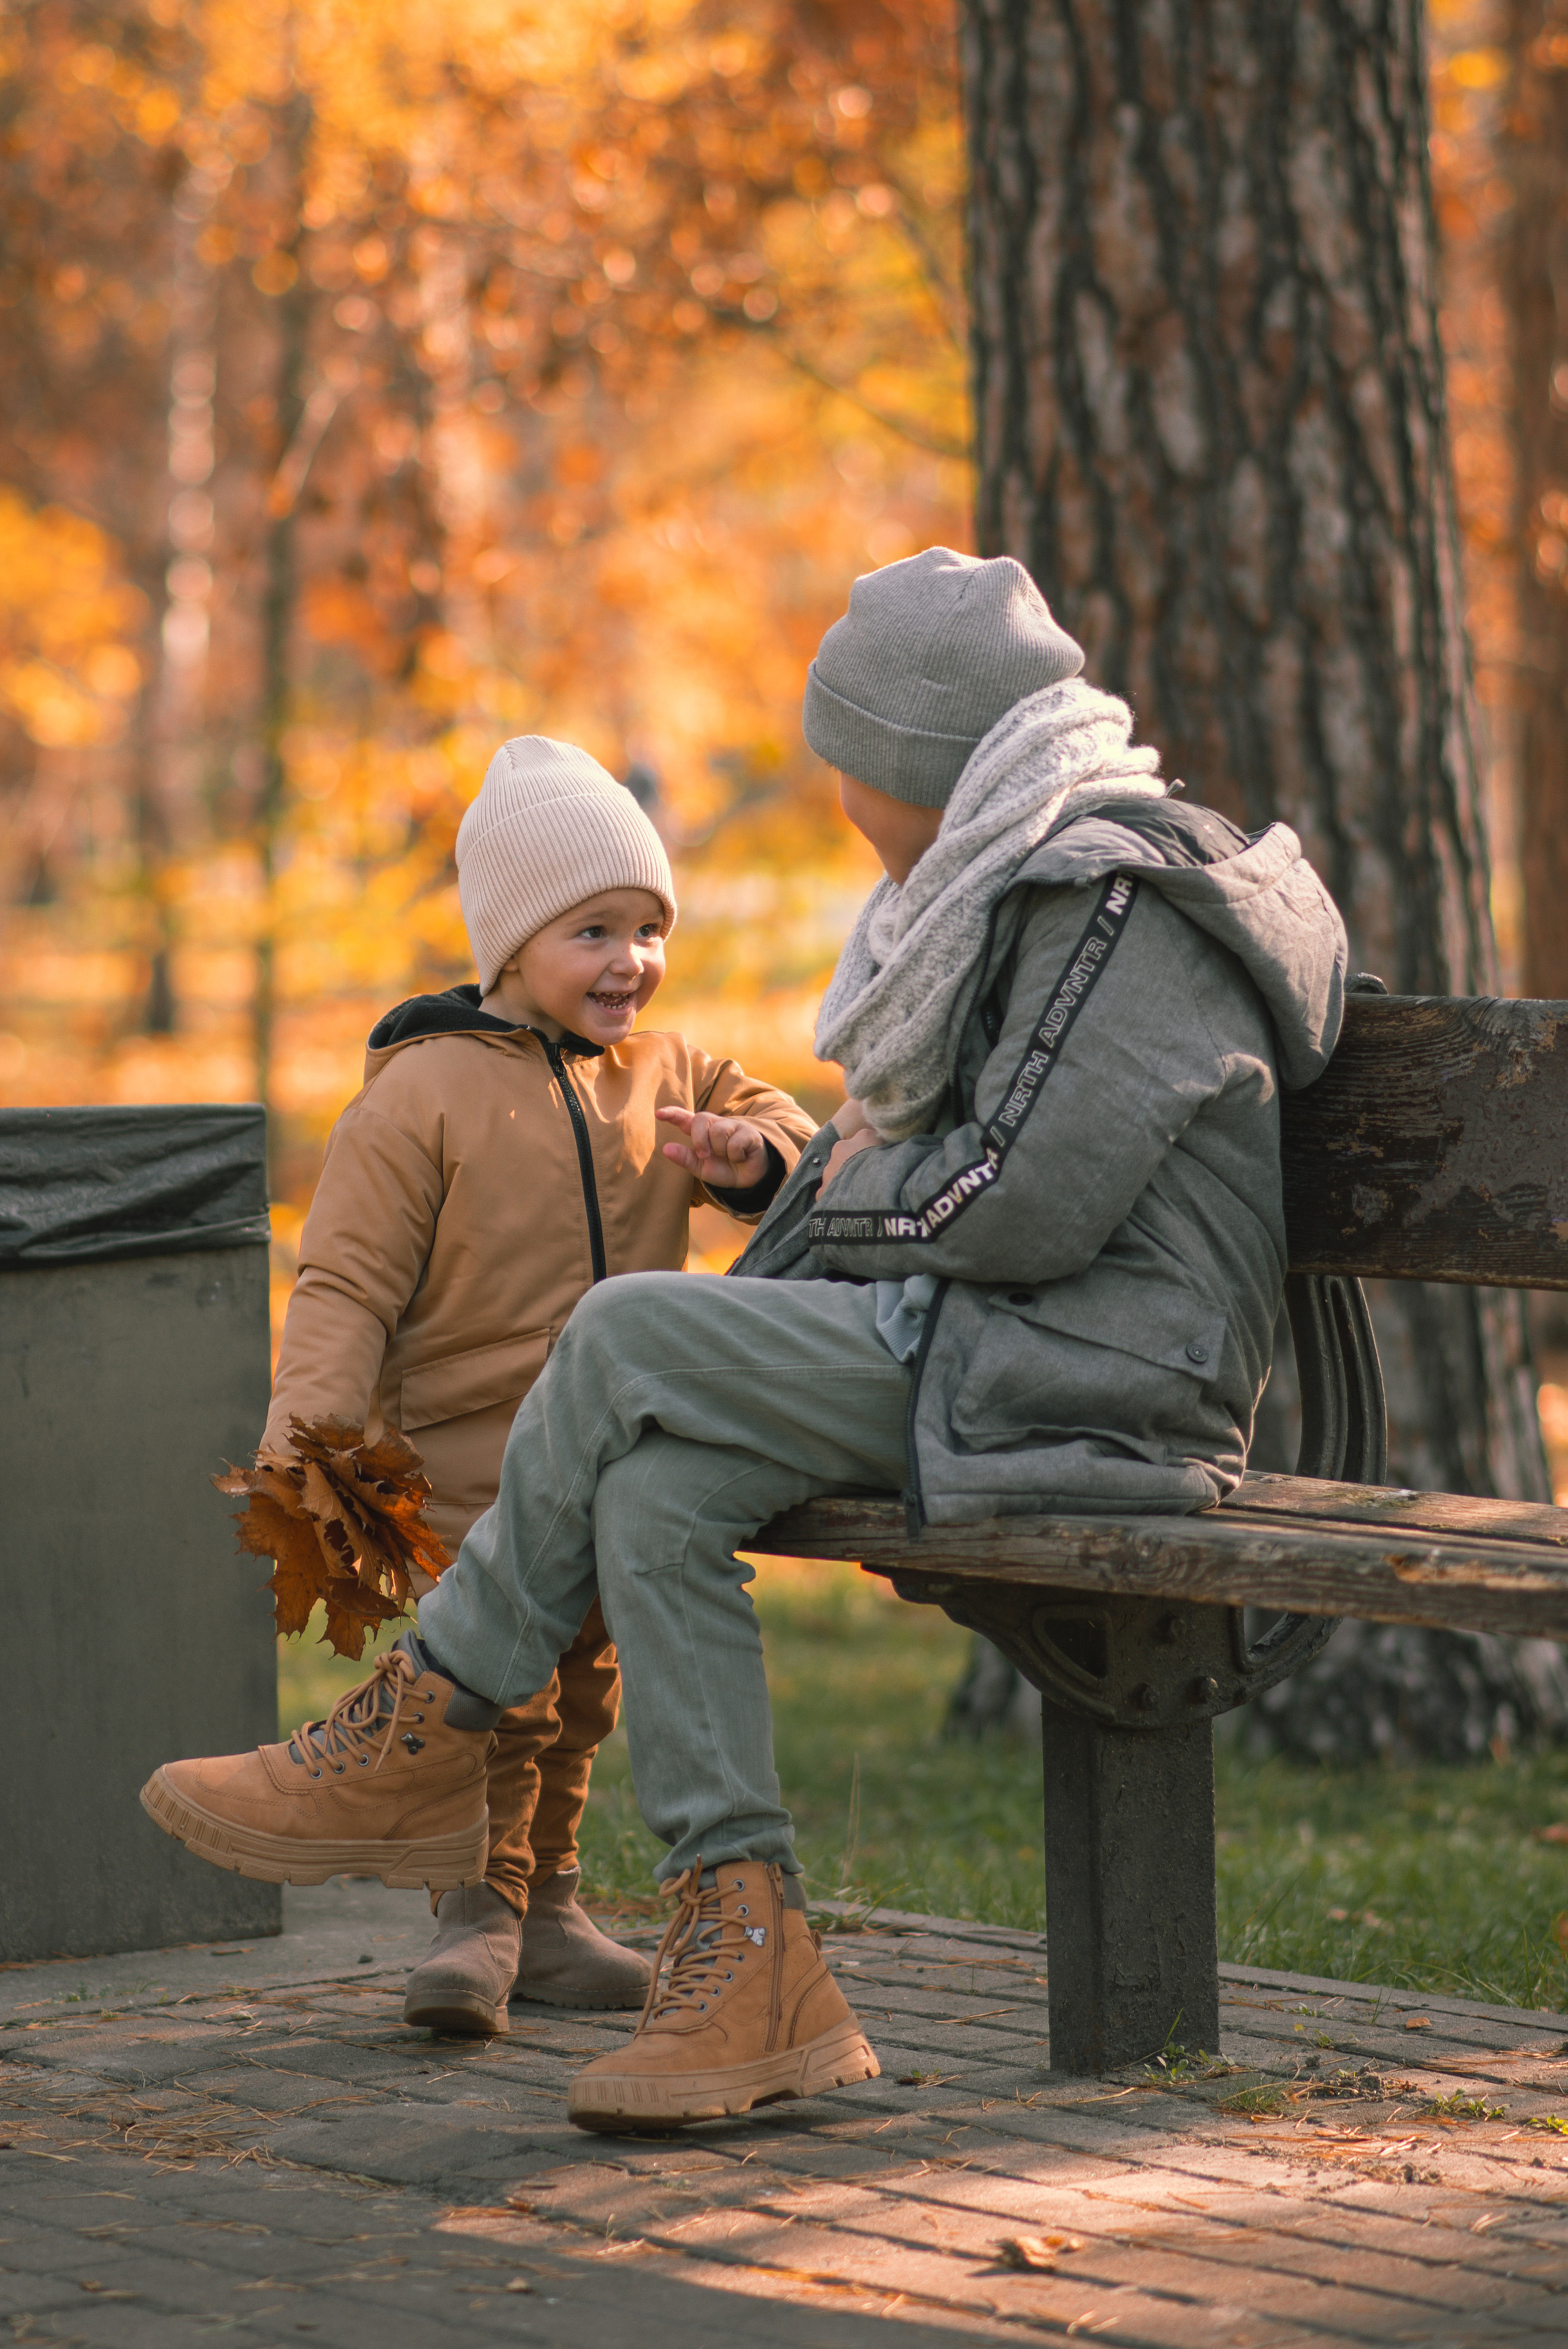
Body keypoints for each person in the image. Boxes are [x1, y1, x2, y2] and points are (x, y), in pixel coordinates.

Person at [147, 547, 1347, 2133]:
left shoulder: (1120, 906)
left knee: (622, 1335)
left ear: (918, 757)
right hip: (979, 1344)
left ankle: (425, 1725)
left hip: (1099, 1381)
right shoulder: (1016, 886)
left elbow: (1015, 1203)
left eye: (844, 758)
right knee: (656, 1487)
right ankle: (749, 1961)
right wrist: (822, 1181)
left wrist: (839, 1185)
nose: (837, 797)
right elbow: (940, 1171)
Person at [146, 734, 815, 2040]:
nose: (632, 960)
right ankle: (476, 1916)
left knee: (582, 1692)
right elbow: (345, 1283)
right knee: (493, 1698)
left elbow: (801, 1137)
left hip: (618, 1457)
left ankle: (548, 1908)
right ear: (510, 945)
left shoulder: (670, 1071)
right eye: (593, 931)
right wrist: (312, 1439)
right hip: (468, 1461)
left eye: (649, 929)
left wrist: (752, 1156)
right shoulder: (424, 1093)